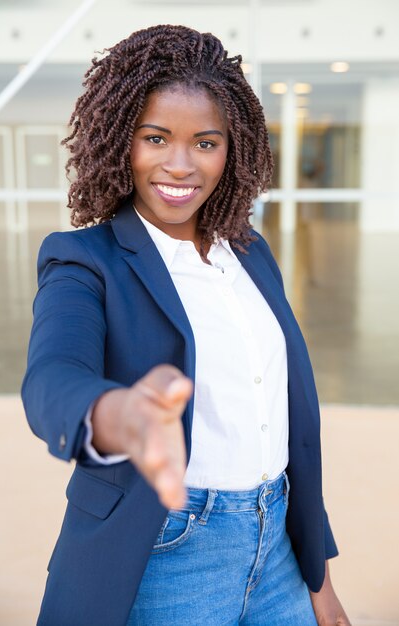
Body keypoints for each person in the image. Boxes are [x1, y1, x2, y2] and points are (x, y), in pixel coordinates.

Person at [22, 24, 351, 626]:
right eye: (155, 138)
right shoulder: (84, 259)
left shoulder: (249, 252)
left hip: (277, 549)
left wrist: (319, 576)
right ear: (122, 141)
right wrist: (118, 415)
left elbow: (286, 420)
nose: (180, 165)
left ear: (234, 149)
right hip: (166, 553)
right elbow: (52, 376)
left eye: (205, 142)